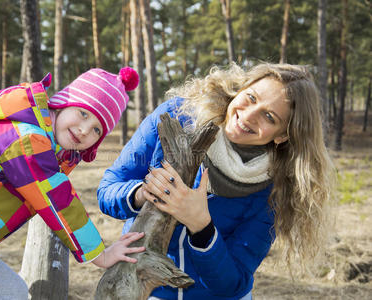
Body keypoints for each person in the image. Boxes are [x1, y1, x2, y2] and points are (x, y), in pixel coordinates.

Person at [98, 62, 334, 300]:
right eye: (251, 97)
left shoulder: (276, 188)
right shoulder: (175, 117)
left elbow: (233, 283)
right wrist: (141, 194)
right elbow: (107, 191)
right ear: (241, 89)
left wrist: (201, 226)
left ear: (283, 135)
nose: (249, 116)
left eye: (269, 116)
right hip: (143, 291)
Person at [0, 67, 145, 300]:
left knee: (10, 293)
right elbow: (57, 200)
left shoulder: (49, 153)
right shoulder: (26, 139)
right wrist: (101, 255)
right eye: (83, 113)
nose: (84, 129)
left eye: (96, 130)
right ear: (62, 104)